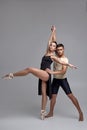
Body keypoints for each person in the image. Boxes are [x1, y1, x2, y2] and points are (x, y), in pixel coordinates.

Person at [2, 26, 76, 120]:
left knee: (29, 69)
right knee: (44, 93)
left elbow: (62, 62)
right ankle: (42, 112)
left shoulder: (53, 56)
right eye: (51, 45)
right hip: (42, 74)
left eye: (54, 46)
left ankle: (12, 75)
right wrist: (53, 31)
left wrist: (70, 65)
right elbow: (51, 40)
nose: (51, 46)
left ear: (55, 49)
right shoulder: (46, 52)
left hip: (46, 74)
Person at [45, 43, 84, 121]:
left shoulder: (65, 59)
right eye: (58, 50)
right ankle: (51, 112)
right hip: (55, 80)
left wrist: (52, 72)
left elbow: (63, 71)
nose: (59, 51)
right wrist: (53, 31)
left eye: (61, 50)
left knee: (71, 97)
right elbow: (51, 43)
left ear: (63, 50)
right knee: (53, 97)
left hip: (63, 80)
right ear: (56, 50)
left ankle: (80, 112)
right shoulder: (54, 57)